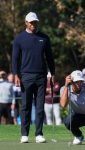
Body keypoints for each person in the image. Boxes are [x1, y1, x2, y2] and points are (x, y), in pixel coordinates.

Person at [12, 12, 55, 143]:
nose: (33, 24)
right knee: (25, 106)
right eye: (31, 22)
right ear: (26, 23)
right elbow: (15, 58)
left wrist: (52, 74)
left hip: (41, 76)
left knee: (40, 106)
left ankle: (39, 134)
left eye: (35, 22)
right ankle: (24, 134)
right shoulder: (19, 39)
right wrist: (16, 74)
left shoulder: (44, 38)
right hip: (25, 76)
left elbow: (50, 57)